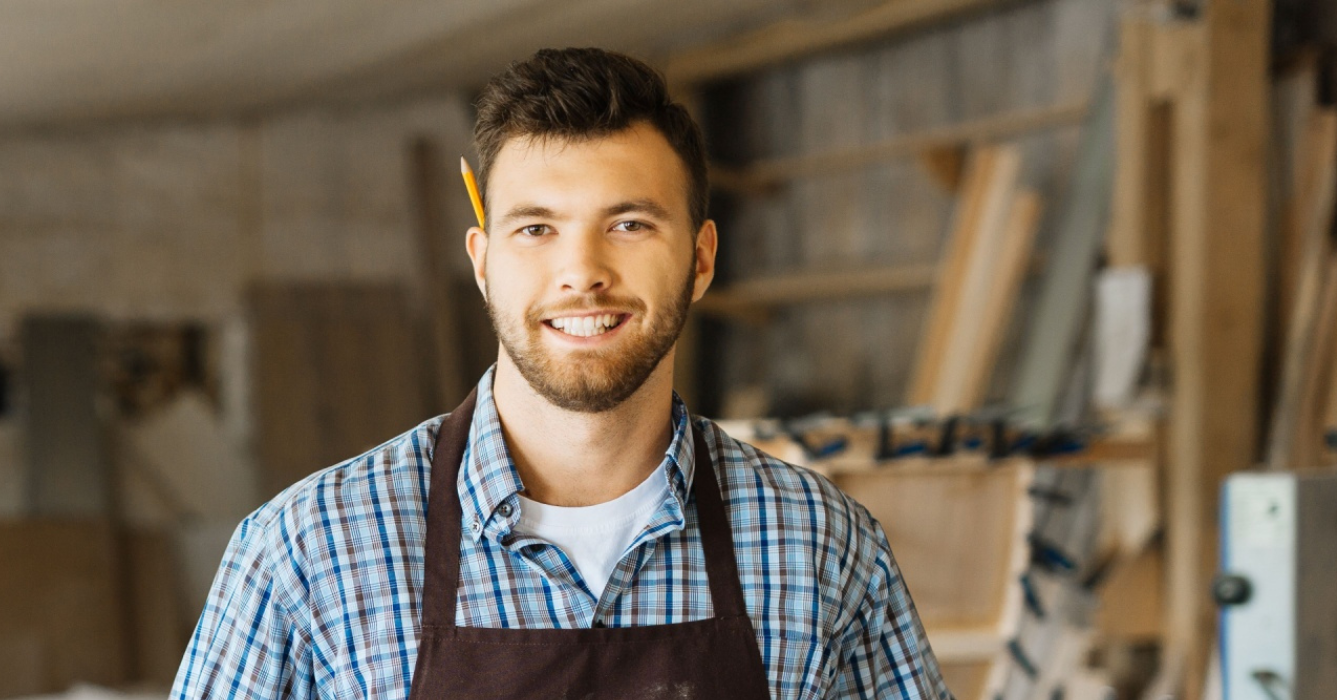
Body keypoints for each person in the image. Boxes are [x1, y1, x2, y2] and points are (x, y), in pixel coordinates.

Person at [171, 47, 951, 699]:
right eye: (536, 228)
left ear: (702, 258)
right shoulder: (311, 554)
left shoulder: (818, 548)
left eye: (629, 224)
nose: (582, 272)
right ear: (483, 264)